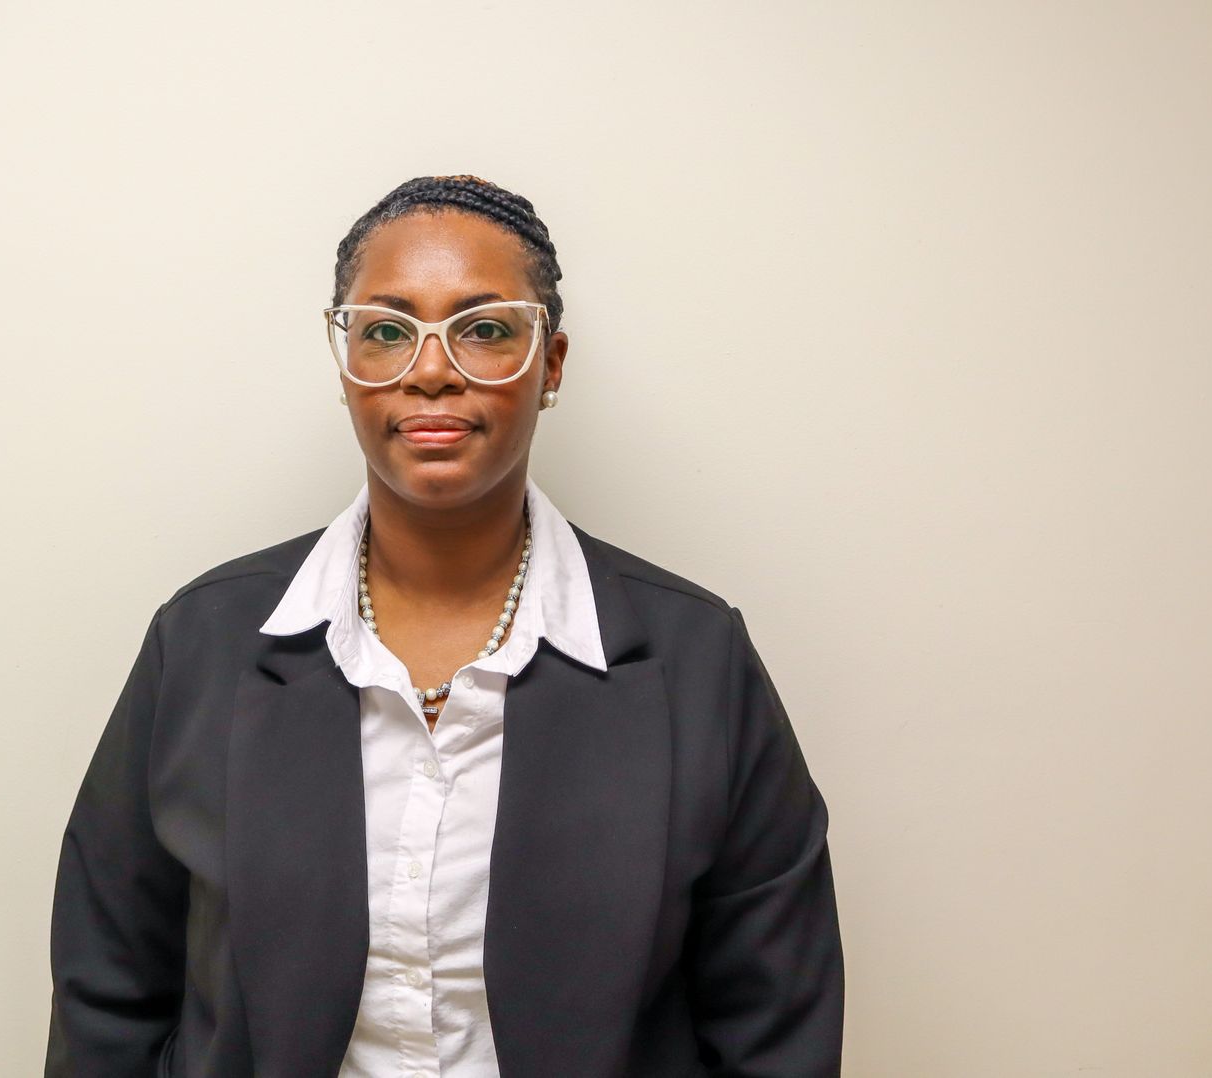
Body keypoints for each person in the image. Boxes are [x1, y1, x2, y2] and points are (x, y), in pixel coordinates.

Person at [46, 174, 845, 1077]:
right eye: (387, 331)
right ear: (346, 365)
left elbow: (776, 1024)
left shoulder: (697, 663)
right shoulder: (202, 643)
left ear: (550, 365)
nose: (430, 370)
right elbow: (108, 986)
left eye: (485, 329)